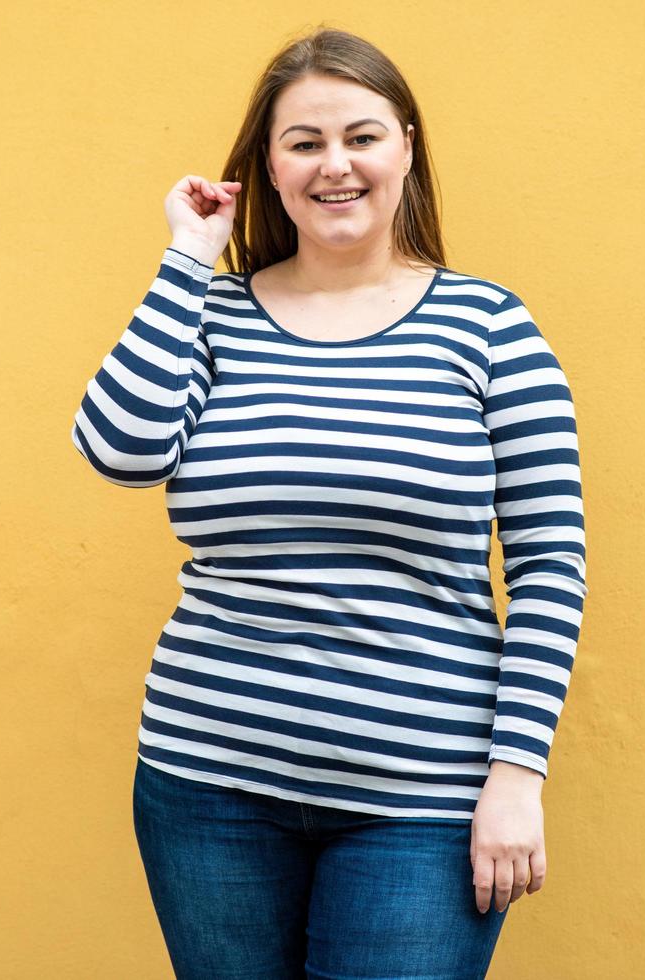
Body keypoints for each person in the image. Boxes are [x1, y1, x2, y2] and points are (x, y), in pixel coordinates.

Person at [71, 27, 588, 980]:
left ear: (405, 149)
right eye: (302, 142)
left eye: (360, 136)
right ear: (268, 168)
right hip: (205, 784)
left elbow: (550, 564)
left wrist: (516, 773)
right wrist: (189, 257)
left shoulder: (488, 327)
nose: (333, 164)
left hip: (421, 799)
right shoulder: (214, 315)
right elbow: (120, 452)